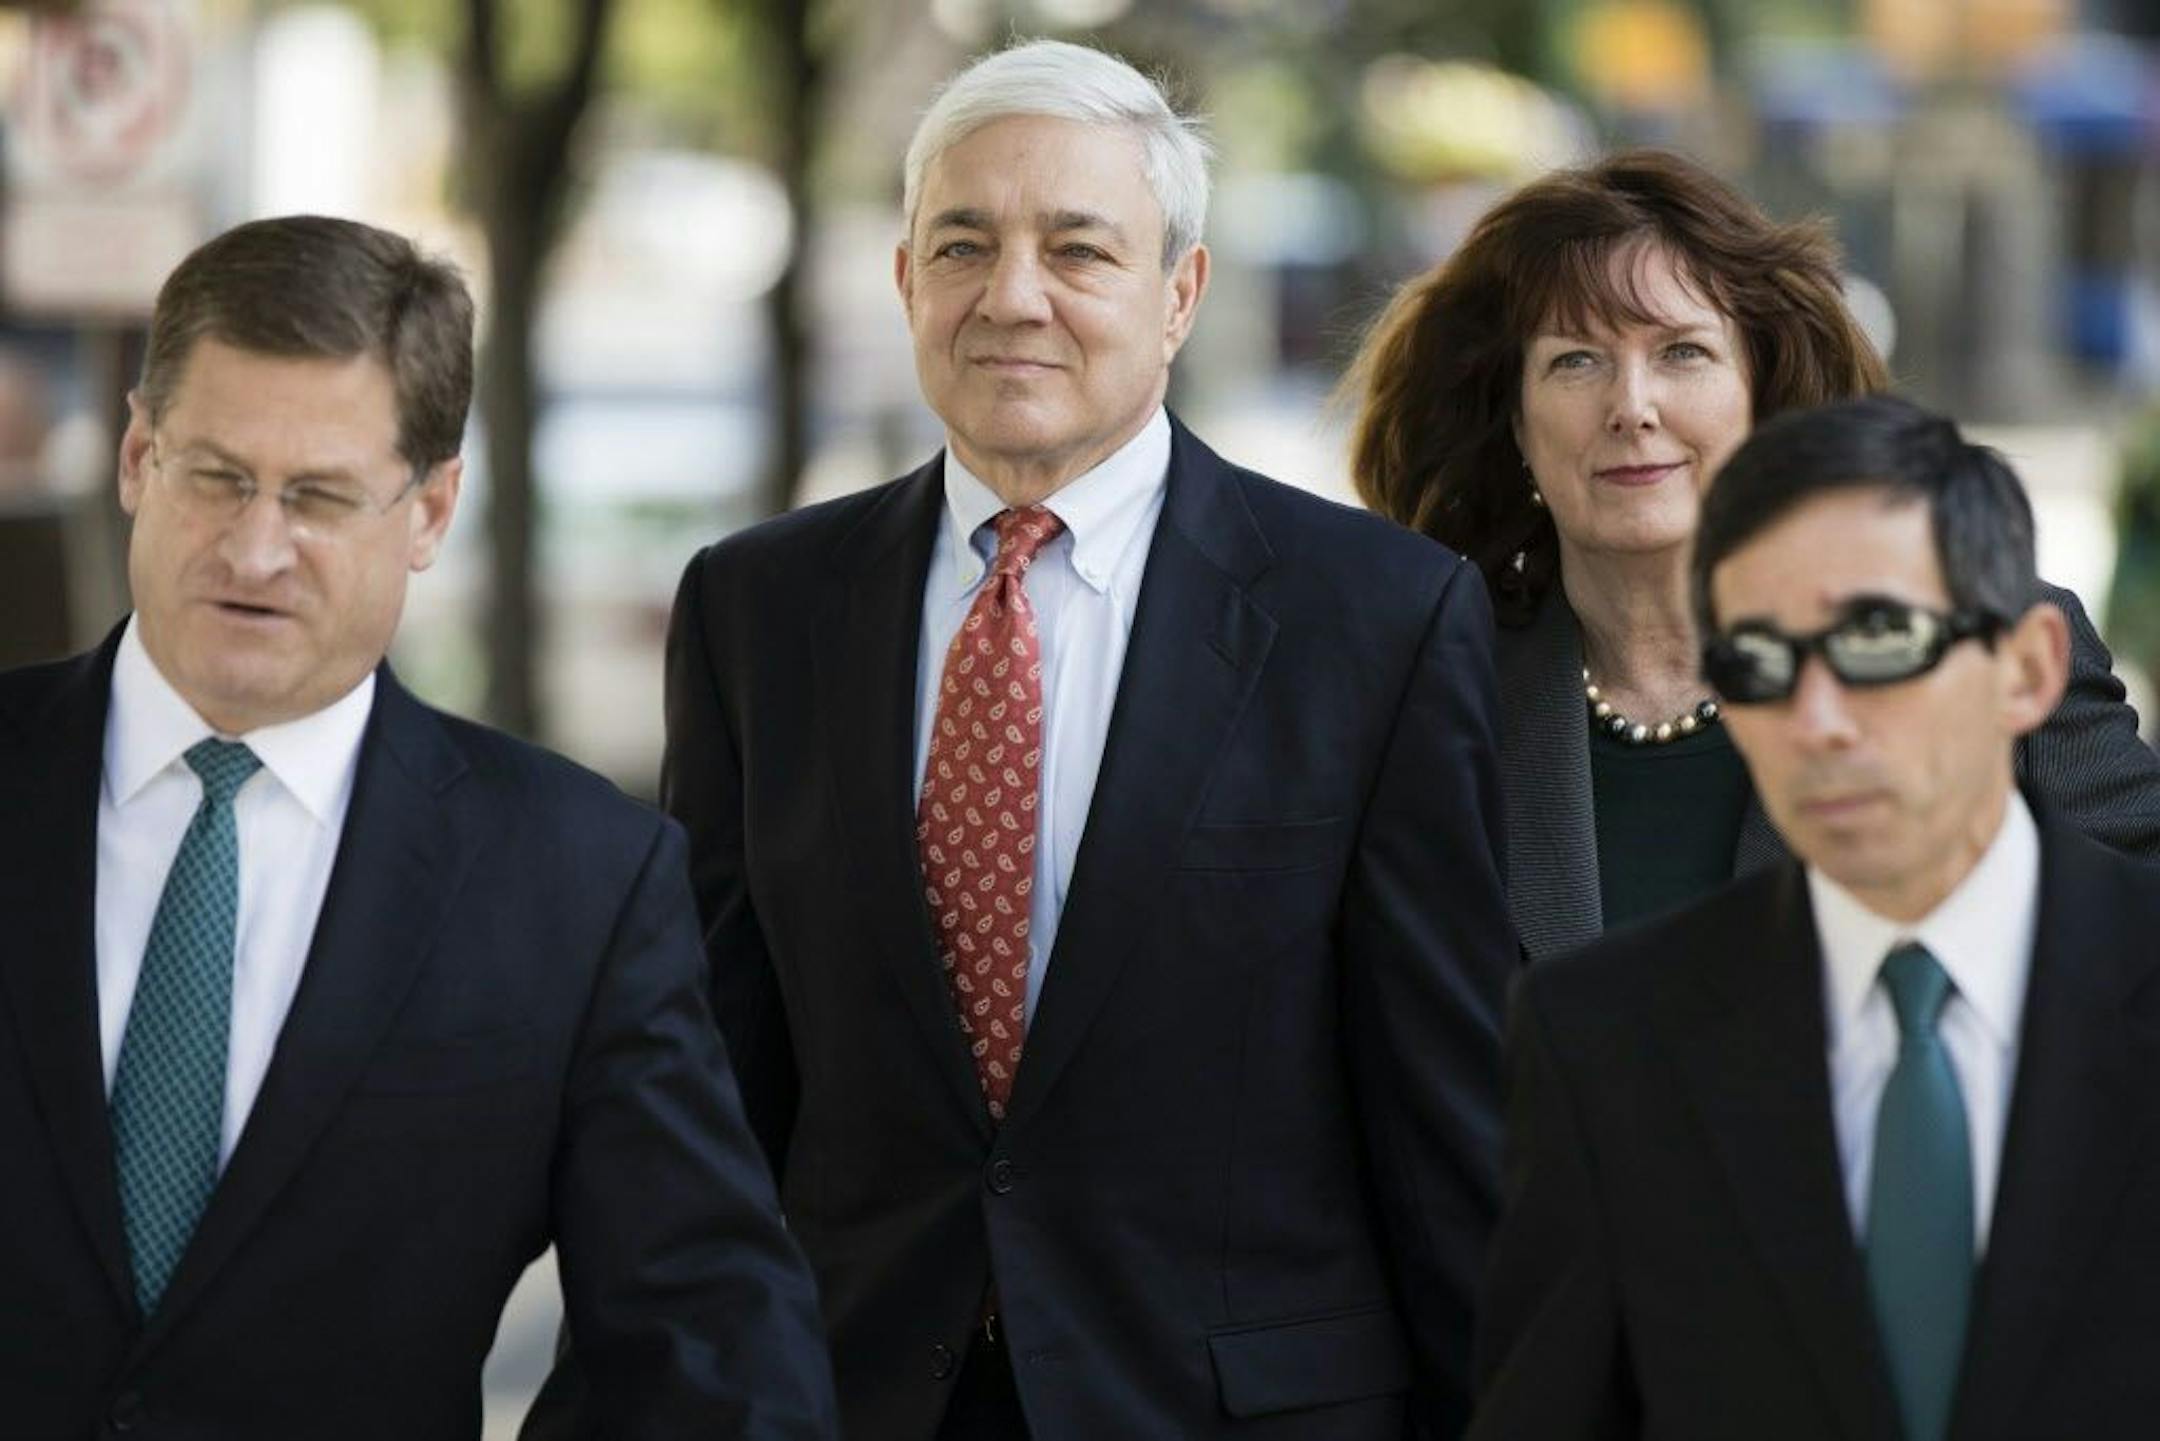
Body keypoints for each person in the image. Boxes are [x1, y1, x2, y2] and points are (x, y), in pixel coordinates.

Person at [663, 37, 1514, 1441]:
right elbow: (712, 1088)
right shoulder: (759, 609)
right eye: (962, 245)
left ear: (1179, 293)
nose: (1013, 297)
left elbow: (1442, 1119)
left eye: (1077, 249)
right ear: (904, 281)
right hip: (856, 1395)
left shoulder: (1377, 619)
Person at [0, 216, 838, 1439]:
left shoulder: (576, 887)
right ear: (136, 454)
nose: (255, 546)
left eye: (321, 496)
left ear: (433, 511)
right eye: (216, 475)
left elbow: (707, 1343)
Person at [1471, 394, 2160, 1440]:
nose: (1818, 718)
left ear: (2028, 667)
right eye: (1757, 662)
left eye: (1878, 638)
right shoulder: (1604, 1039)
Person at [1344, 148, 2160, 962]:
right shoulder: (1430, 697)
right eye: (1576, 360)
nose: (1632, 406)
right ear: (1517, 423)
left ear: (1763, 394)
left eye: (1682, 352)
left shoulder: (1980, 643)